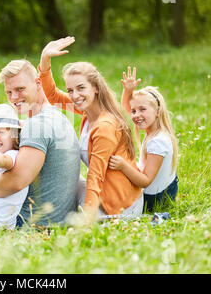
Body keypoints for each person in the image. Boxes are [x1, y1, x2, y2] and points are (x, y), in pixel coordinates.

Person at [0, 62, 81, 228]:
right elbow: (4, 134)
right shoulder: (51, 117)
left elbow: (15, 182)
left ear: (38, 84)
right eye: (9, 92)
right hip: (52, 220)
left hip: (28, 222)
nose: (14, 97)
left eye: (20, 89)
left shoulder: (38, 125)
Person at [38, 36, 143, 222]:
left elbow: (95, 175)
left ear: (95, 88)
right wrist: (45, 60)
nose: (74, 95)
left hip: (120, 206)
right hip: (105, 193)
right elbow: (53, 95)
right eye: (70, 90)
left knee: (68, 222)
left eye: (80, 88)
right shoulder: (87, 109)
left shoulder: (105, 126)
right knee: (62, 185)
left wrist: (87, 217)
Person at [108, 68, 178, 212]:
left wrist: (123, 166)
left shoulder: (158, 142)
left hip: (155, 199)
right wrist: (128, 91)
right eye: (134, 111)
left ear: (157, 110)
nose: (136, 115)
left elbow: (145, 181)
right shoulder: (153, 128)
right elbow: (126, 106)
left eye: (142, 109)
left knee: (116, 176)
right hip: (166, 187)